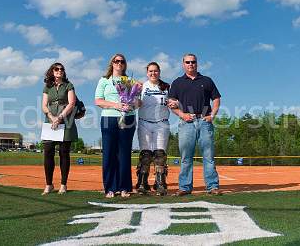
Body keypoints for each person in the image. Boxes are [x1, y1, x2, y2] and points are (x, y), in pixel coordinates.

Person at [168, 53, 221, 196]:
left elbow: (216, 99)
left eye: (193, 62)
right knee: (186, 157)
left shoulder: (207, 80)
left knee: (208, 156)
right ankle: (185, 187)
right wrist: (182, 114)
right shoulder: (178, 82)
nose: (190, 64)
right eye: (187, 62)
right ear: (183, 64)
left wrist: (212, 115)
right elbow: (171, 103)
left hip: (204, 121)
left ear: (197, 63)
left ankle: (212, 186)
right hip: (187, 123)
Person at [95, 54, 137, 198]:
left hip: (128, 119)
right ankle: (110, 187)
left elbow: (138, 102)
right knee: (109, 153)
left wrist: (130, 104)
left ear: (125, 64)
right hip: (109, 119)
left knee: (124, 154)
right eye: (116, 61)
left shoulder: (130, 81)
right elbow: (98, 101)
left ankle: (124, 187)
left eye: (122, 61)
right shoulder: (104, 80)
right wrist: (117, 105)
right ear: (112, 63)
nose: (119, 63)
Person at [41, 62, 78, 195]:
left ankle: (63, 184)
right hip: (50, 121)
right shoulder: (47, 87)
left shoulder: (69, 85)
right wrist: (52, 117)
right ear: (52, 71)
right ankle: (49, 184)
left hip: (65, 120)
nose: (59, 71)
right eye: (56, 69)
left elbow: (72, 103)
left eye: (61, 69)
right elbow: (44, 105)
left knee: (64, 153)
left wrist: (60, 117)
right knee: (48, 152)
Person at [136, 62, 171, 196]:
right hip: (144, 122)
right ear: (147, 73)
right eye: (150, 71)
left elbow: (173, 102)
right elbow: (135, 102)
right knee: (145, 155)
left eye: (155, 71)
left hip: (161, 123)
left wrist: (174, 103)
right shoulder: (141, 86)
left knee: (160, 155)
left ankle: (160, 183)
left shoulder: (166, 86)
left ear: (159, 72)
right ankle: (142, 183)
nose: (153, 73)